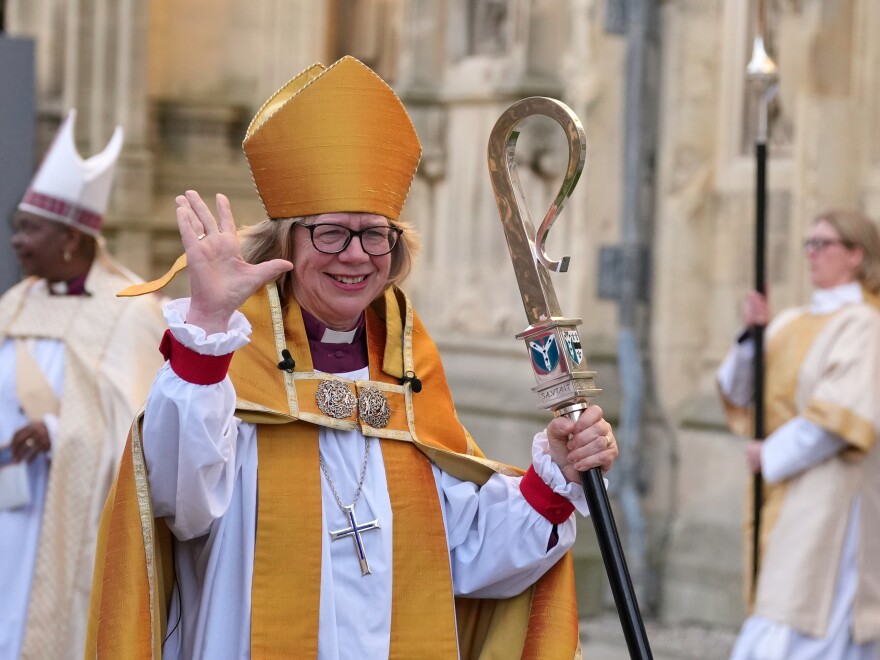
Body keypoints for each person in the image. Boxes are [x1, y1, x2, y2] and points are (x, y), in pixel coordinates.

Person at [86, 56, 619, 658]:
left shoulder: (406, 378)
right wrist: (207, 328)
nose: (356, 256)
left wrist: (557, 474)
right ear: (285, 239)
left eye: (374, 234)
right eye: (332, 232)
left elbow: (465, 553)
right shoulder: (226, 372)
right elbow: (179, 502)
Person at [0, 110, 166, 659]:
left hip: (72, 519)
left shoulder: (131, 313)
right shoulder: (16, 303)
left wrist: (59, 432)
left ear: (71, 237)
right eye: (16, 228)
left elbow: (143, 433)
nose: (18, 243)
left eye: (29, 229)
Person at [717, 208, 880, 659]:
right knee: (780, 600)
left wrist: (768, 455)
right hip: (784, 488)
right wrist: (753, 334)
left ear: (856, 255)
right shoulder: (789, 321)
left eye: (823, 244)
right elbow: (739, 389)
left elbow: (841, 417)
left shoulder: (866, 323)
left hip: (831, 491)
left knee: (807, 609)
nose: (811, 253)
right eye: (808, 243)